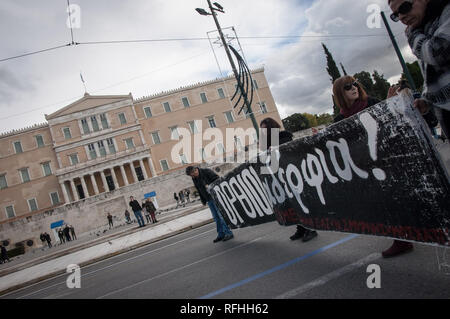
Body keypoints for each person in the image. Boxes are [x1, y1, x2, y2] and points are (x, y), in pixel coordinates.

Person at [332, 75, 414, 258]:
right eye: (347, 86)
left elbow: (391, 122)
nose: (354, 87)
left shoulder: (372, 103)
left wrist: (388, 104)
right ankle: (402, 238)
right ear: (339, 93)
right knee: (384, 203)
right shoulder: (339, 119)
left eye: (355, 84)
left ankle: (404, 238)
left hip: (388, 159)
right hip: (365, 167)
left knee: (398, 198)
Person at [388, 0, 450, 140]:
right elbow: (436, 75)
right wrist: (427, 101)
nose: (402, 17)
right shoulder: (425, 29)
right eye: (395, 15)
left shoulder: (445, 13)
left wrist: (412, 34)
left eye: (404, 7)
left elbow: (438, 51)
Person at [260, 117, 319, 242]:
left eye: (264, 129)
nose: (263, 132)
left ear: (271, 128)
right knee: (291, 204)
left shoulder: (284, 135)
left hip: (292, 174)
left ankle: (310, 228)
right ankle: (301, 228)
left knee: (299, 201)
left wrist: (274, 148)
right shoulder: (266, 143)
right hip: (281, 177)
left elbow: (289, 149)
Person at [186, 166, 234, 243]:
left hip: (215, 196)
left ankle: (228, 233)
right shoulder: (194, 178)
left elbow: (218, 179)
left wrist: (210, 185)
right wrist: (203, 200)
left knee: (221, 216)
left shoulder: (206, 172)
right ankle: (221, 234)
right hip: (209, 199)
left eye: (192, 174)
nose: (192, 177)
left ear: (195, 170)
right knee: (216, 217)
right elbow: (199, 189)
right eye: (190, 176)